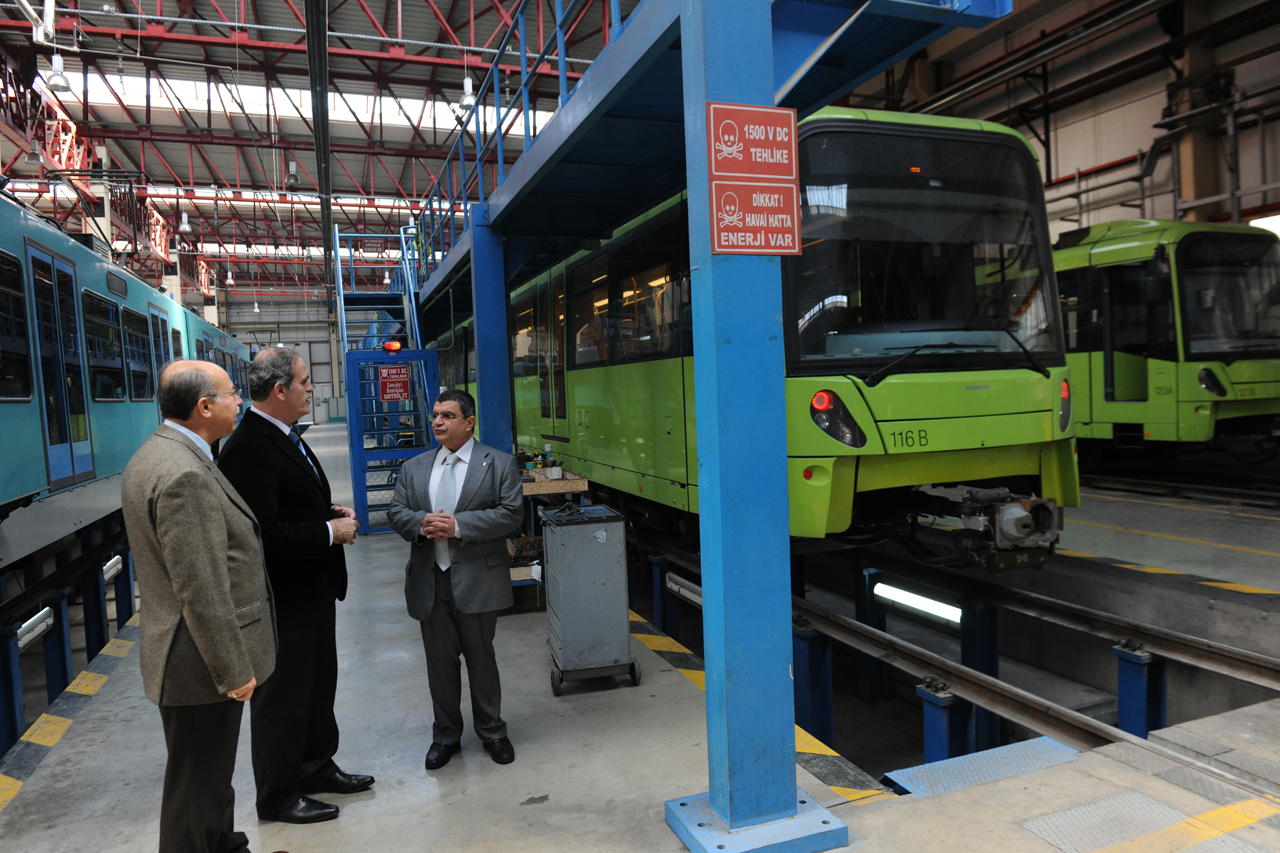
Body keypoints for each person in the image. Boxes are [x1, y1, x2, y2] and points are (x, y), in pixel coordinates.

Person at [121, 360, 276, 853]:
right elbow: (201, 587)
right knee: (195, 790)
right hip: (199, 662)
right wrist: (232, 668)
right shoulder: (184, 473)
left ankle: (224, 844)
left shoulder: (163, 452)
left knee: (208, 779)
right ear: (204, 407)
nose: (241, 401)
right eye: (232, 394)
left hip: (189, 655)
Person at [217, 347, 371, 824]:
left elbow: (288, 504)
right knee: (283, 699)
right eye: (305, 382)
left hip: (313, 592)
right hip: (283, 600)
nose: (312, 389)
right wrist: (328, 532)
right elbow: (261, 535)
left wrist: (328, 513)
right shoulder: (248, 448)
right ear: (280, 390)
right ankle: (279, 795)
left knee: (317, 689)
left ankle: (315, 767)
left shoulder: (284, 436)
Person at [388, 388, 524, 770]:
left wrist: (458, 526)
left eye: (447, 415)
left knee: (482, 660)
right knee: (439, 665)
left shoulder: (498, 464)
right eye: (436, 415)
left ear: (469, 422)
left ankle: (493, 732)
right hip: (430, 580)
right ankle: (445, 736)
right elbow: (396, 511)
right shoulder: (414, 467)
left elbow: (511, 513)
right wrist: (422, 523)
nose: (438, 422)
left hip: (478, 579)